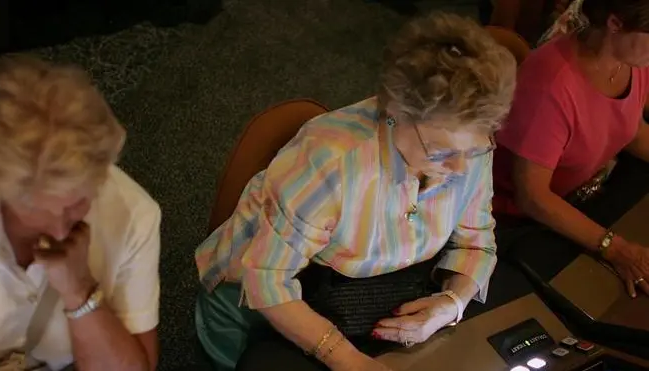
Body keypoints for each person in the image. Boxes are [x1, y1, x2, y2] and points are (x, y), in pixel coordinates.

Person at [194, 12, 516, 371]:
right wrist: (348, 360)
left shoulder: (469, 147)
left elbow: (477, 239)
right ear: (394, 110)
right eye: (440, 152)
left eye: (473, 150)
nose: (459, 169)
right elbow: (266, 281)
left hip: (357, 298)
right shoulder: (330, 163)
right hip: (259, 312)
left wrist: (452, 302)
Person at [0, 56, 161, 371]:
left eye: (77, 203)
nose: (58, 233)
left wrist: (80, 290)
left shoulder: (135, 216)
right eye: (32, 208)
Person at [493, 0, 649, 298]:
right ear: (615, 24)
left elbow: (631, 129)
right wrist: (616, 248)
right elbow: (533, 197)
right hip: (517, 222)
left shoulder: (632, 60)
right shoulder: (550, 83)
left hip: (581, 195)